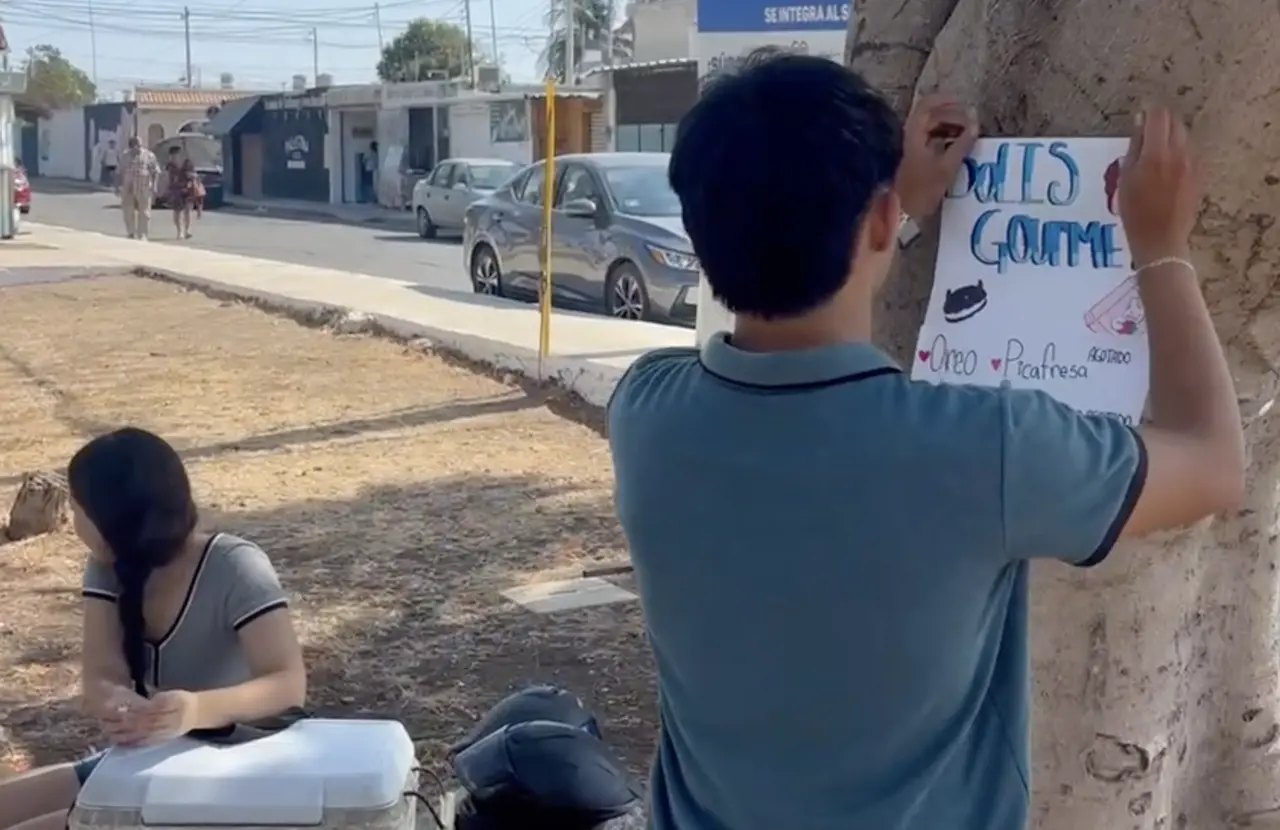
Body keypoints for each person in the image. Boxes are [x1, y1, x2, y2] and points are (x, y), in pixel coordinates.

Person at [607, 53, 1244, 830]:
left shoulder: (647, 415)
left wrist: (891, 207)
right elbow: (1212, 462)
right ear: (875, 222)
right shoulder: (989, 450)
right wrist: (1160, 244)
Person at [0, 428, 306, 830]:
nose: (72, 523)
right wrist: (115, 701)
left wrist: (196, 710)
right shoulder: (106, 565)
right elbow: (100, 675)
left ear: (112, 520)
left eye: (77, 511)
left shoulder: (235, 566)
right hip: (152, 761)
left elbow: (287, 684)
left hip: (234, 770)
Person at [118, 136, 159, 241]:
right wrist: (117, 186)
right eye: (135, 145)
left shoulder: (149, 155)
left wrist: (154, 186)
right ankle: (131, 232)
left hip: (143, 185)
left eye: (139, 145)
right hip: (128, 185)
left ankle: (143, 234)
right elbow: (119, 171)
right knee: (128, 210)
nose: (137, 148)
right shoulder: (125, 156)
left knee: (144, 211)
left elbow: (155, 171)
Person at [164, 148, 197, 240]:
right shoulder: (170, 165)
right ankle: (179, 231)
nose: (173, 157)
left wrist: (191, 177)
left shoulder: (188, 163)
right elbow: (167, 177)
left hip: (187, 189)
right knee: (177, 212)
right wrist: (166, 189)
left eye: (175, 155)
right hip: (176, 191)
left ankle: (188, 230)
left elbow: (194, 175)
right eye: (172, 156)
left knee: (188, 211)